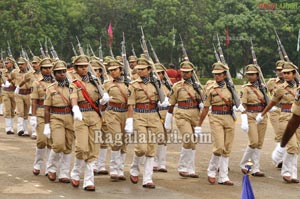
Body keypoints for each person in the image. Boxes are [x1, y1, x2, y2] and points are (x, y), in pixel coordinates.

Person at [126, 57, 168, 189]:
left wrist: (164, 101)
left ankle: (147, 178)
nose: (140, 71)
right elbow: (131, 104)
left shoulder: (157, 83)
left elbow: (162, 99)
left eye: (143, 69)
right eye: (138, 69)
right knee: (141, 148)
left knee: (151, 149)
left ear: (149, 70)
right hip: (140, 116)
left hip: (154, 116)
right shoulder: (133, 85)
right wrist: (129, 120)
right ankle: (134, 167)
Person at [69, 55, 110, 191]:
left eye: (86, 66)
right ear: (75, 68)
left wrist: (104, 100)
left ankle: (88, 180)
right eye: (81, 67)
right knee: (81, 147)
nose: (84, 69)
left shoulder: (96, 82)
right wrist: (75, 108)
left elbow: (101, 102)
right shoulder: (74, 83)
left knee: (93, 149)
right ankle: (75, 172)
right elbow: (73, 97)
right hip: (81, 116)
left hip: (95, 117)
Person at [256, 62, 300, 183]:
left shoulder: (299, 87)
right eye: (284, 73)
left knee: (297, 148)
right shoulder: (280, 88)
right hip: (285, 118)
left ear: (294, 74)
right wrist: (262, 114)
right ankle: (286, 172)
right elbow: (272, 103)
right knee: (292, 146)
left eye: (288, 73)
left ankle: (293, 173)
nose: (285, 75)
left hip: (297, 118)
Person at [197, 62, 240, 185]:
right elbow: (205, 108)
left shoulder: (231, 88)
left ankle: (223, 176)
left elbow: (237, 103)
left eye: (219, 74)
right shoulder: (210, 88)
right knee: (219, 146)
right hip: (216, 117)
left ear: (225, 75)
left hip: (229, 117)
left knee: (227, 148)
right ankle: (211, 171)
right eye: (215, 74)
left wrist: (240, 107)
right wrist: (199, 124)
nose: (217, 76)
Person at [164, 61, 202, 178]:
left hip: (195, 113)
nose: (184, 74)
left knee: (193, 142)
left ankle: (191, 168)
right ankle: (182, 167)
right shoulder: (177, 86)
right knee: (188, 138)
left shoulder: (198, 86)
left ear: (192, 72)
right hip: (182, 113)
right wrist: (168, 118)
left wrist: (202, 102)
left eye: (187, 72)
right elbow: (171, 103)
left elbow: (203, 100)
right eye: (183, 72)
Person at [44, 60, 74, 183]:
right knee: (58, 144)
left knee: (68, 146)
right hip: (56, 117)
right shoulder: (50, 88)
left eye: (63, 71)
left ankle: (64, 173)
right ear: (54, 74)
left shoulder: (72, 87)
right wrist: (46, 125)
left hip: (70, 117)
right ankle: (51, 168)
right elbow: (46, 108)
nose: (61, 74)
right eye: (58, 72)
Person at [239, 64, 267, 177]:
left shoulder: (263, 87)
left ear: (257, 75)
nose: (250, 76)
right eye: (248, 75)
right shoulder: (245, 88)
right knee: (253, 141)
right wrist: (244, 119)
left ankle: (255, 168)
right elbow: (243, 105)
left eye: (252, 74)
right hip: (251, 115)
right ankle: (244, 164)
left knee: (259, 144)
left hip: (262, 115)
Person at [103, 59, 128, 181]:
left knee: (124, 143)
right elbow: (101, 100)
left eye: (115, 70)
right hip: (112, 112)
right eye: (110, 70)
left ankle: (120, 169)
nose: (112, 72)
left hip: (126, 113)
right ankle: (114, 169)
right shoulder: (107, 84)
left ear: (121, 70)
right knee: (117, 140)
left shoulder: (129, 83)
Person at [31, 58, 55, 176]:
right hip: (41, 112)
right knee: (41, 140)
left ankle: (49, 167)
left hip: (54, 113)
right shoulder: (36, 83)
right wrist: (33, 116)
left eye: (50, 67)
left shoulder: (57, 82)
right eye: (45, 68)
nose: (48, 70)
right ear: (41, 69)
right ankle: (38, 164)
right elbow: (34, 101)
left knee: (52, 142)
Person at [266, 60, 285, 167]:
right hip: (276, 110)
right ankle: (279, 159)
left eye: (282, 70)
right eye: (278, 70)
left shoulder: (295, 81)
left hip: (289, 110)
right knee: (279, 133)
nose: (280, 72)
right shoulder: (272, 82)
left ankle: (283, 155)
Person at [153, 63, 171, 173]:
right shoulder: (151, 85)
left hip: (165, 113)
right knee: (156, 137)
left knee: (164, 139)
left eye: (160, 73)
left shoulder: (167, 86)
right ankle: (154, 161)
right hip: (155, 112)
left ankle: (162, 162)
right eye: (156, 73)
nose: (159, 75)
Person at [11, 57, 34, 136]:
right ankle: (20, 129)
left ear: (26, 64)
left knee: (26, 113)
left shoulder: (31, 73)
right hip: (19, 94)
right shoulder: (15, 72)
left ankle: (26, 130)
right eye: (19, 64)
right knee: (20, 112)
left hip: (28, 94)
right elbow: (10, 79)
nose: (20, 66)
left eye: (22, 64)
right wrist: (14, 86)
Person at [2, 57, 17, 134]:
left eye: (7, 63)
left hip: (14, 92)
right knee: (7, 109)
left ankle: (11, 127)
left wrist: (11, 80)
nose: (6, 64)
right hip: (6, 92)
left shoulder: (16, 72)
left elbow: (17, 81)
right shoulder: (3, 72)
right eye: (5, 63)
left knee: (12, 110)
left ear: (12, 63)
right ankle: (8, 128)